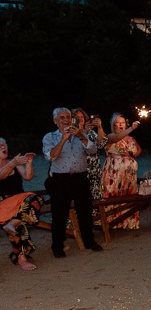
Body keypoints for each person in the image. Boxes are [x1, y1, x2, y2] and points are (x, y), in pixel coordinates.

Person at [42, 108, 104, 257]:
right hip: (60, 180)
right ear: (55, 121)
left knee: (85, 211)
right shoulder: (50, 137)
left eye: (68, 117)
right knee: (59, 214)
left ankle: (89, 241)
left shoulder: (80, 134)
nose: (65, 120)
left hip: (81, 178)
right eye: (62, 118)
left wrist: (81, 136)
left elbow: (93, 151)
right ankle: (57, 246)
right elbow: (50, 156)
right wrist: (63, 139)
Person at [0, 138, 43, 270]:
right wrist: (13, 162)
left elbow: (28, 177)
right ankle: (21, 258)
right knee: (19, 220)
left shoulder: (15, 163)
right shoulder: (13, 163)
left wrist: (29, 162)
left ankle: (12, 224)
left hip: (20, 202)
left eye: (4, 144)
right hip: (3, 204)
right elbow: (1, 176)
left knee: (36, 199)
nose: (3, 147)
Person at [102, 113, 142, 229]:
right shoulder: (110, 136)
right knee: (113, 195)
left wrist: (132, 156)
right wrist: (131, 128)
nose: (120, 124)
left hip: (129, 174)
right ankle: (111, 223)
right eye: (118, 122)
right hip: (114, 173)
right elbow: (117, 138)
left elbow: (139, 149)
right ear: (113, 124)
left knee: (128, 196)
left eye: (123, 122)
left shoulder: (131, 138)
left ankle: (128, 223)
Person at [72, 108, 108, 205]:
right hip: (80, 171)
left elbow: (101, 144)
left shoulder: (91, 132)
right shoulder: (70, 133)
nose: (80, 119)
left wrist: (99, 127)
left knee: (95, 200)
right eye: (77, 117)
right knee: (79, 201)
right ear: (72, 119)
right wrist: (85, 133)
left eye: (82, 117)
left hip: (94, 171)